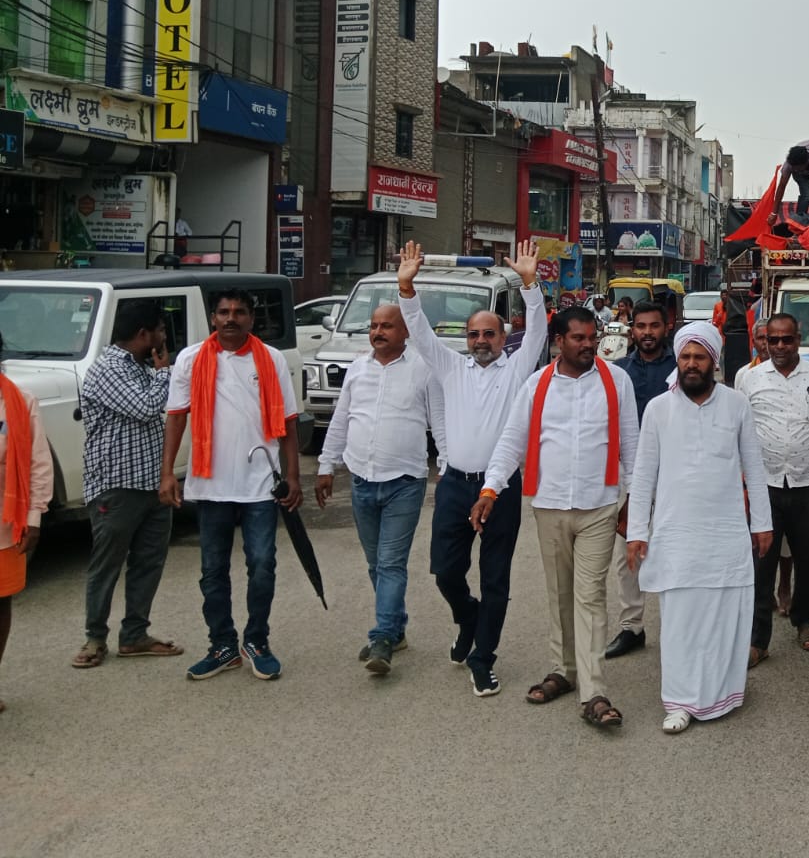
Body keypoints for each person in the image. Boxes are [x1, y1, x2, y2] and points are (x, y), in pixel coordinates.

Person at [396, 238, 548, 698]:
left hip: (500, 489)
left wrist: (529, 284)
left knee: (495, 578)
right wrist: (407, 289)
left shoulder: (517, 370)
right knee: (445, 571)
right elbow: (420, 333)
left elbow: (538, 331)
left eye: (489, 334)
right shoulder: (451, 368)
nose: (481, 341)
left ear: (503, 338)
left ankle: (483, 658)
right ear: (466, 339)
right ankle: (468, 617)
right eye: (474, 335)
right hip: (455, 486)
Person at [475, 306, 639, 728]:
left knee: (590, 596)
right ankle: (563, 670)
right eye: (579, 338)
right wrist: (491, 489)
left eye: (592, 337)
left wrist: (635, 502)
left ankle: (594, 691)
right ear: (559, 341)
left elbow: (632, 446)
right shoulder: (537, 385)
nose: (589, 345)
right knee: (560, 594)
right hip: (549, 505)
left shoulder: (616, 381)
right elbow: (511, 442)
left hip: (599, 506)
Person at [626, 323, 772, 733]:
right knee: (680, 623)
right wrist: (637, 531)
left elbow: (754, 468)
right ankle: (680, 701)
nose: (692, 364)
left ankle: (722, 695)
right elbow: (643, 475)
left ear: (714, 361)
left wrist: (762, 523)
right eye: (686, 357)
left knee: (724, 618)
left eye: (700, 357)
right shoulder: (659, 409)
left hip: (725, 533)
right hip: (676, 535)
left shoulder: (736, 404)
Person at [161, 289, 301, 682]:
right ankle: (222, 645)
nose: (230, 318)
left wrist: (292, 476)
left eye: (239, 312)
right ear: (213, 318)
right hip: (210, 483)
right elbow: (176, 416)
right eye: (223, 312)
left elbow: (289, 422)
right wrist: (167, 472)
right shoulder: (190, 359)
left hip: (260, 484)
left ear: (251, 319)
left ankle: (256, 641)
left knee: (262, 565)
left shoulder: (270, 358)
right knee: (212, 570)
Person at [314, 303, 446, 676]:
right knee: (376, 563)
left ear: (406, 331)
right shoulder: (358, 369)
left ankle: (383, 637)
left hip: (404, 482)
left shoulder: (424, 369)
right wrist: (326, 465)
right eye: (374, 326)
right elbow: (341, 420)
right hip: (361, 480)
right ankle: (396, 628)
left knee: (390, 563)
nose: (378, 332)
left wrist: (446, 467)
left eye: (387, 326)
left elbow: (439, 422)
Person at [74, 300, 183, 670]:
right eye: (161, 330)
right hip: (116, 487)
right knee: (106, 565)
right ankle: (94, 638)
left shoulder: (140, 367)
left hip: (153, 485)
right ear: (143, 334)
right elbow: (146, 407)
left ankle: (135, 635)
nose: (164, 336)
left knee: (148, 564)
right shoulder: (108, 368)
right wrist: (165, 374)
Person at [742, 312, 809, 666]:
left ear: (798, 340)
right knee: (762, 562)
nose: (779, 346)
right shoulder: (750, 379)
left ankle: (805, 621)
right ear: (764, 341)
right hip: (765, 485)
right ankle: (758, 639)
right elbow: (737, 431)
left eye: (786, 339)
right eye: (773, 340)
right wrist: (738, 479)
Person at [608, 300, 674, 659]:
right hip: (631, 474)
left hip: (676, 472)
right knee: (628, 553)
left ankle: (679, 627)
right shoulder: (618, 371)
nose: (647, 332)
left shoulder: (682, 366)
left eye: (654, 325)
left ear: (667, 327)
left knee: (674, 549)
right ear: (631, 329)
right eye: (641, 326)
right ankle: (632, 627)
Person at [1, 330, 52, 712]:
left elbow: (38, 463)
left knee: (0, 601)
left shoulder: (20, 402)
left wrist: (34, 517)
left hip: (5, 526)